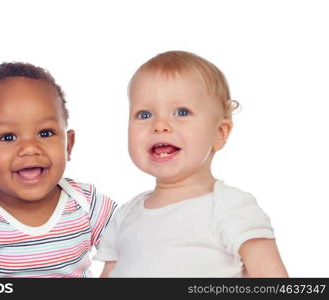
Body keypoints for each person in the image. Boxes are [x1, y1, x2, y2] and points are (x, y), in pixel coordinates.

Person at [94, 51, 288, 277]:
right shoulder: (124, 216)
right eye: (144, 114)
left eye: (182, 112)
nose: (160, 125)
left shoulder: (230, 207)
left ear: (219, 133)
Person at [0, 62, 116, 277]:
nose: (30, 148)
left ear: (68, 144)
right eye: (8, 137)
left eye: (45, 133)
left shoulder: (87, 203)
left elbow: (133, 242)